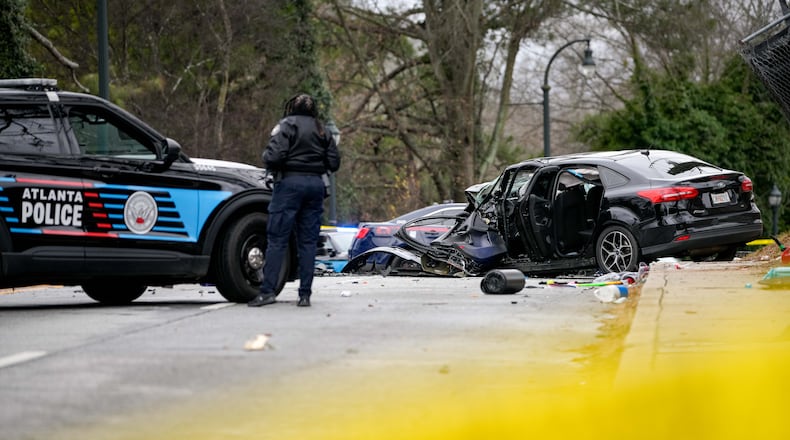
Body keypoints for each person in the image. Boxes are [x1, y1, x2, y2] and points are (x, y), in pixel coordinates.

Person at [248, 94, 341, 307]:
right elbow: (334, 162)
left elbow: (274, 156)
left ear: (292, 107)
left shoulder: (287, 125)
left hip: (289, 184)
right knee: (308, 242)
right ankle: (304, 295)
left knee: (277, 238)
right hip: (315, 186)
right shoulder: (322, 130)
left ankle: (267, 291)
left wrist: (272, 159)